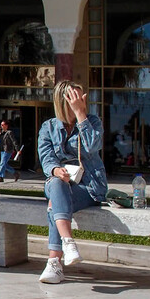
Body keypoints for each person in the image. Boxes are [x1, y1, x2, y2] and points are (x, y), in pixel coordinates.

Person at [37, 80, 108, 283]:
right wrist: (56, 170)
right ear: (62, 101)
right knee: (56, 184)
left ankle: (54, 262)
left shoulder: (92, 122)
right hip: (60, 185)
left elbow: (92, 147)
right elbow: (46, 158)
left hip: (89, 187)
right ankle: (68, 243)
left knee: (53, 205)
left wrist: (80, 115)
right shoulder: (48, 127)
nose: (81, 101)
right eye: (74, 98)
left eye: (82, 97)